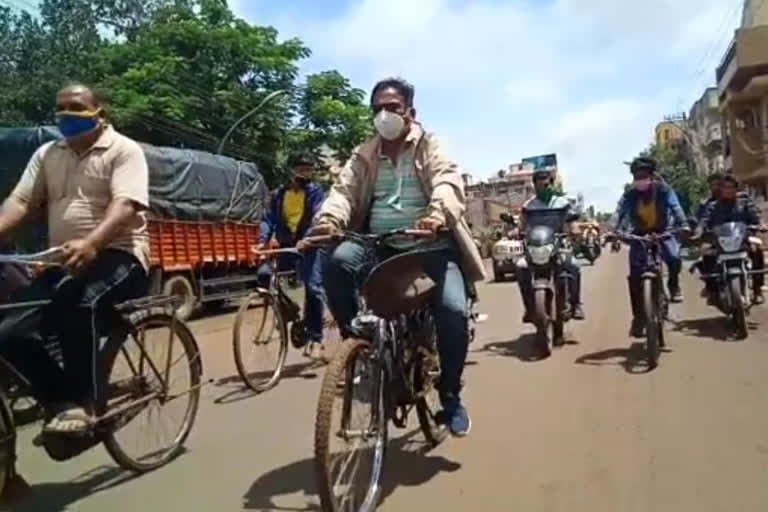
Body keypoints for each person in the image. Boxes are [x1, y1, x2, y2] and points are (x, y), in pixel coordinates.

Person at [307, 77, 485, 437]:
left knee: (451, 310)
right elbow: (343, 191)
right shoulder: (364, 153)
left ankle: (449, 394)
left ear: (410, 113)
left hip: (431, 246)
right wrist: (328, 220)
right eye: (377, 110)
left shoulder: (431, 145)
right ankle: (360, 345)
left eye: (393, 108)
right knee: (338, 261)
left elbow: (448, 182)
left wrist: (437, 216)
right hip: (379, 243)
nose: (384, 115)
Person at [0, 83, 149, 453]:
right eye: (61, 108)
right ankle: (60, 401)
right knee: (10, 329)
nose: (67, 114)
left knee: (80, 306)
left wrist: (92, 242)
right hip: (63, 260)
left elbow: (126, 205)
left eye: (77, 107)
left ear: (100, 113)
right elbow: (20, 201)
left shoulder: (124, 151)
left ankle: (86, 406)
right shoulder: (48, 153)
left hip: (119, 256)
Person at [257, 153, 327, 360]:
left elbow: (317, 217)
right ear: (292, 170)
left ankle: (316, 337)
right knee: (264, 276)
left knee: (313, 289)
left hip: (308, 246)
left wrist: (307, 240)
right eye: (301, 169)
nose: (306, 173)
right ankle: (289, 311)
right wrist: (263, 240)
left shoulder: (316, 193)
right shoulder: (279, 194)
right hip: (286, 245)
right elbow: (268, 219)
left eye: (309, 169)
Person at [613, 157, 688, 337]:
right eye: (636, 176)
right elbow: (618, 213)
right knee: (634, 276)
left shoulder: (664, 190)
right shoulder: (629, 195)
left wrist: (683, 223)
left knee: (674, 258)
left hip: (663, 231)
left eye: (643, 176)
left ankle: (673, 284)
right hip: (639, 235)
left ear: (652, 176)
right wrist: (611, 229)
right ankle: (638, 318)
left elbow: (676, 207)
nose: (640, 180)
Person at [516, 168, 585, 322]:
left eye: (546, 185)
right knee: (521, 267)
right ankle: (529, 308)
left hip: (557, 245)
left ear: (551, 185)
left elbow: (571, 219)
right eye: (539, 185)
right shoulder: (529, 206)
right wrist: (516, 230)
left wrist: (574, 227)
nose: (543, 188)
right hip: (535, 248)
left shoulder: (562, 203)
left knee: (573, 265)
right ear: (534, 186)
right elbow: (521, 223)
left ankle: (576, 304)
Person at [695, 173, 766, 304]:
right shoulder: (712, 206)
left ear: (736, 188)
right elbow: (704, 220)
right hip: (720, 243)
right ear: (720, 189)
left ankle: (757, 290)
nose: (728, 190)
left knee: (758, 251)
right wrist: (699, 230)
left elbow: (756, 215)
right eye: (725, 187)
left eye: (731, 187)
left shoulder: (744, 202)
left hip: (743, 240)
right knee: (706, 254)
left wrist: (761, 224)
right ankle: (713, 290)